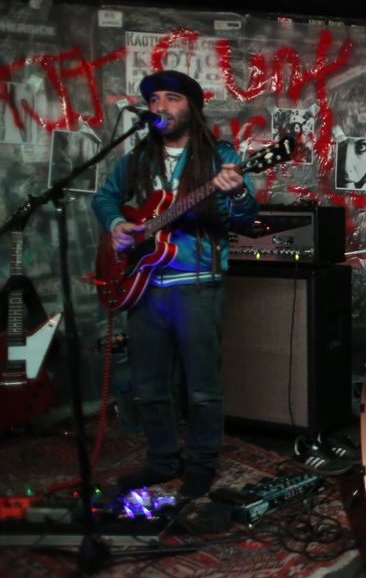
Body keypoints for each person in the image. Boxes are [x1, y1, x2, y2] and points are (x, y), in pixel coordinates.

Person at [92, 70, 258, 498]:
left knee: (201, 388)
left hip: (197, 282)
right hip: (143, 283)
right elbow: (105, 198)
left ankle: (201, 465)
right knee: (149, 386)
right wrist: (116, 224)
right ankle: (162, 461)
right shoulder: (139, 157)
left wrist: (238, 193)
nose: (160, 106)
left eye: (171, 98)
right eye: (154, 100)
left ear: (192, 107)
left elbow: (245, 218)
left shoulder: (220, 156)